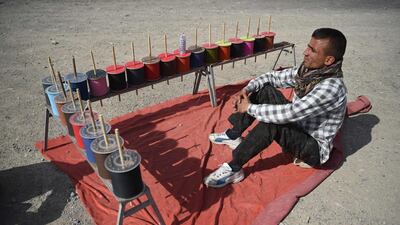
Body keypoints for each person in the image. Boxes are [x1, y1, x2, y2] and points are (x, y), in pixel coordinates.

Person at [204, 28, 347, 188]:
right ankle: (233, 135)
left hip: (313, 148)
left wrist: (249, 108)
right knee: (264, 88)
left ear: (328, 60)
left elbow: (290, 113)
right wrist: (247, 89)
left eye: (312, 50)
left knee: (273, 122)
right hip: (297, 125)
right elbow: (273, 77)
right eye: (308, 47)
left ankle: (235, 167)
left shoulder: (330, 87)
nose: (305, 52)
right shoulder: (309, 72)